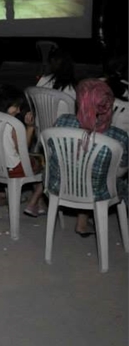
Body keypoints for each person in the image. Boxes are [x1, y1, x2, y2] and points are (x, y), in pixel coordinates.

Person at [49, 79, 128, 236]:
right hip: (96, 192)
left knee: (80, 169)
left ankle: (82, 220)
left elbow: (52, 154)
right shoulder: (119, 137)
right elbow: (119, 173)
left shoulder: (62, 122)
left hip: (61, 184)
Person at [0, 84, 47, 217]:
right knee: (47, 166)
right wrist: (30, 127)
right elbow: (22, 150)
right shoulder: (12, 124)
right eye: (16, 106)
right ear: (5, 104)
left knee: (35, 160)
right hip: (13, 168)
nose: (19, 110)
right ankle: (34, 201)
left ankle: (40, 203)